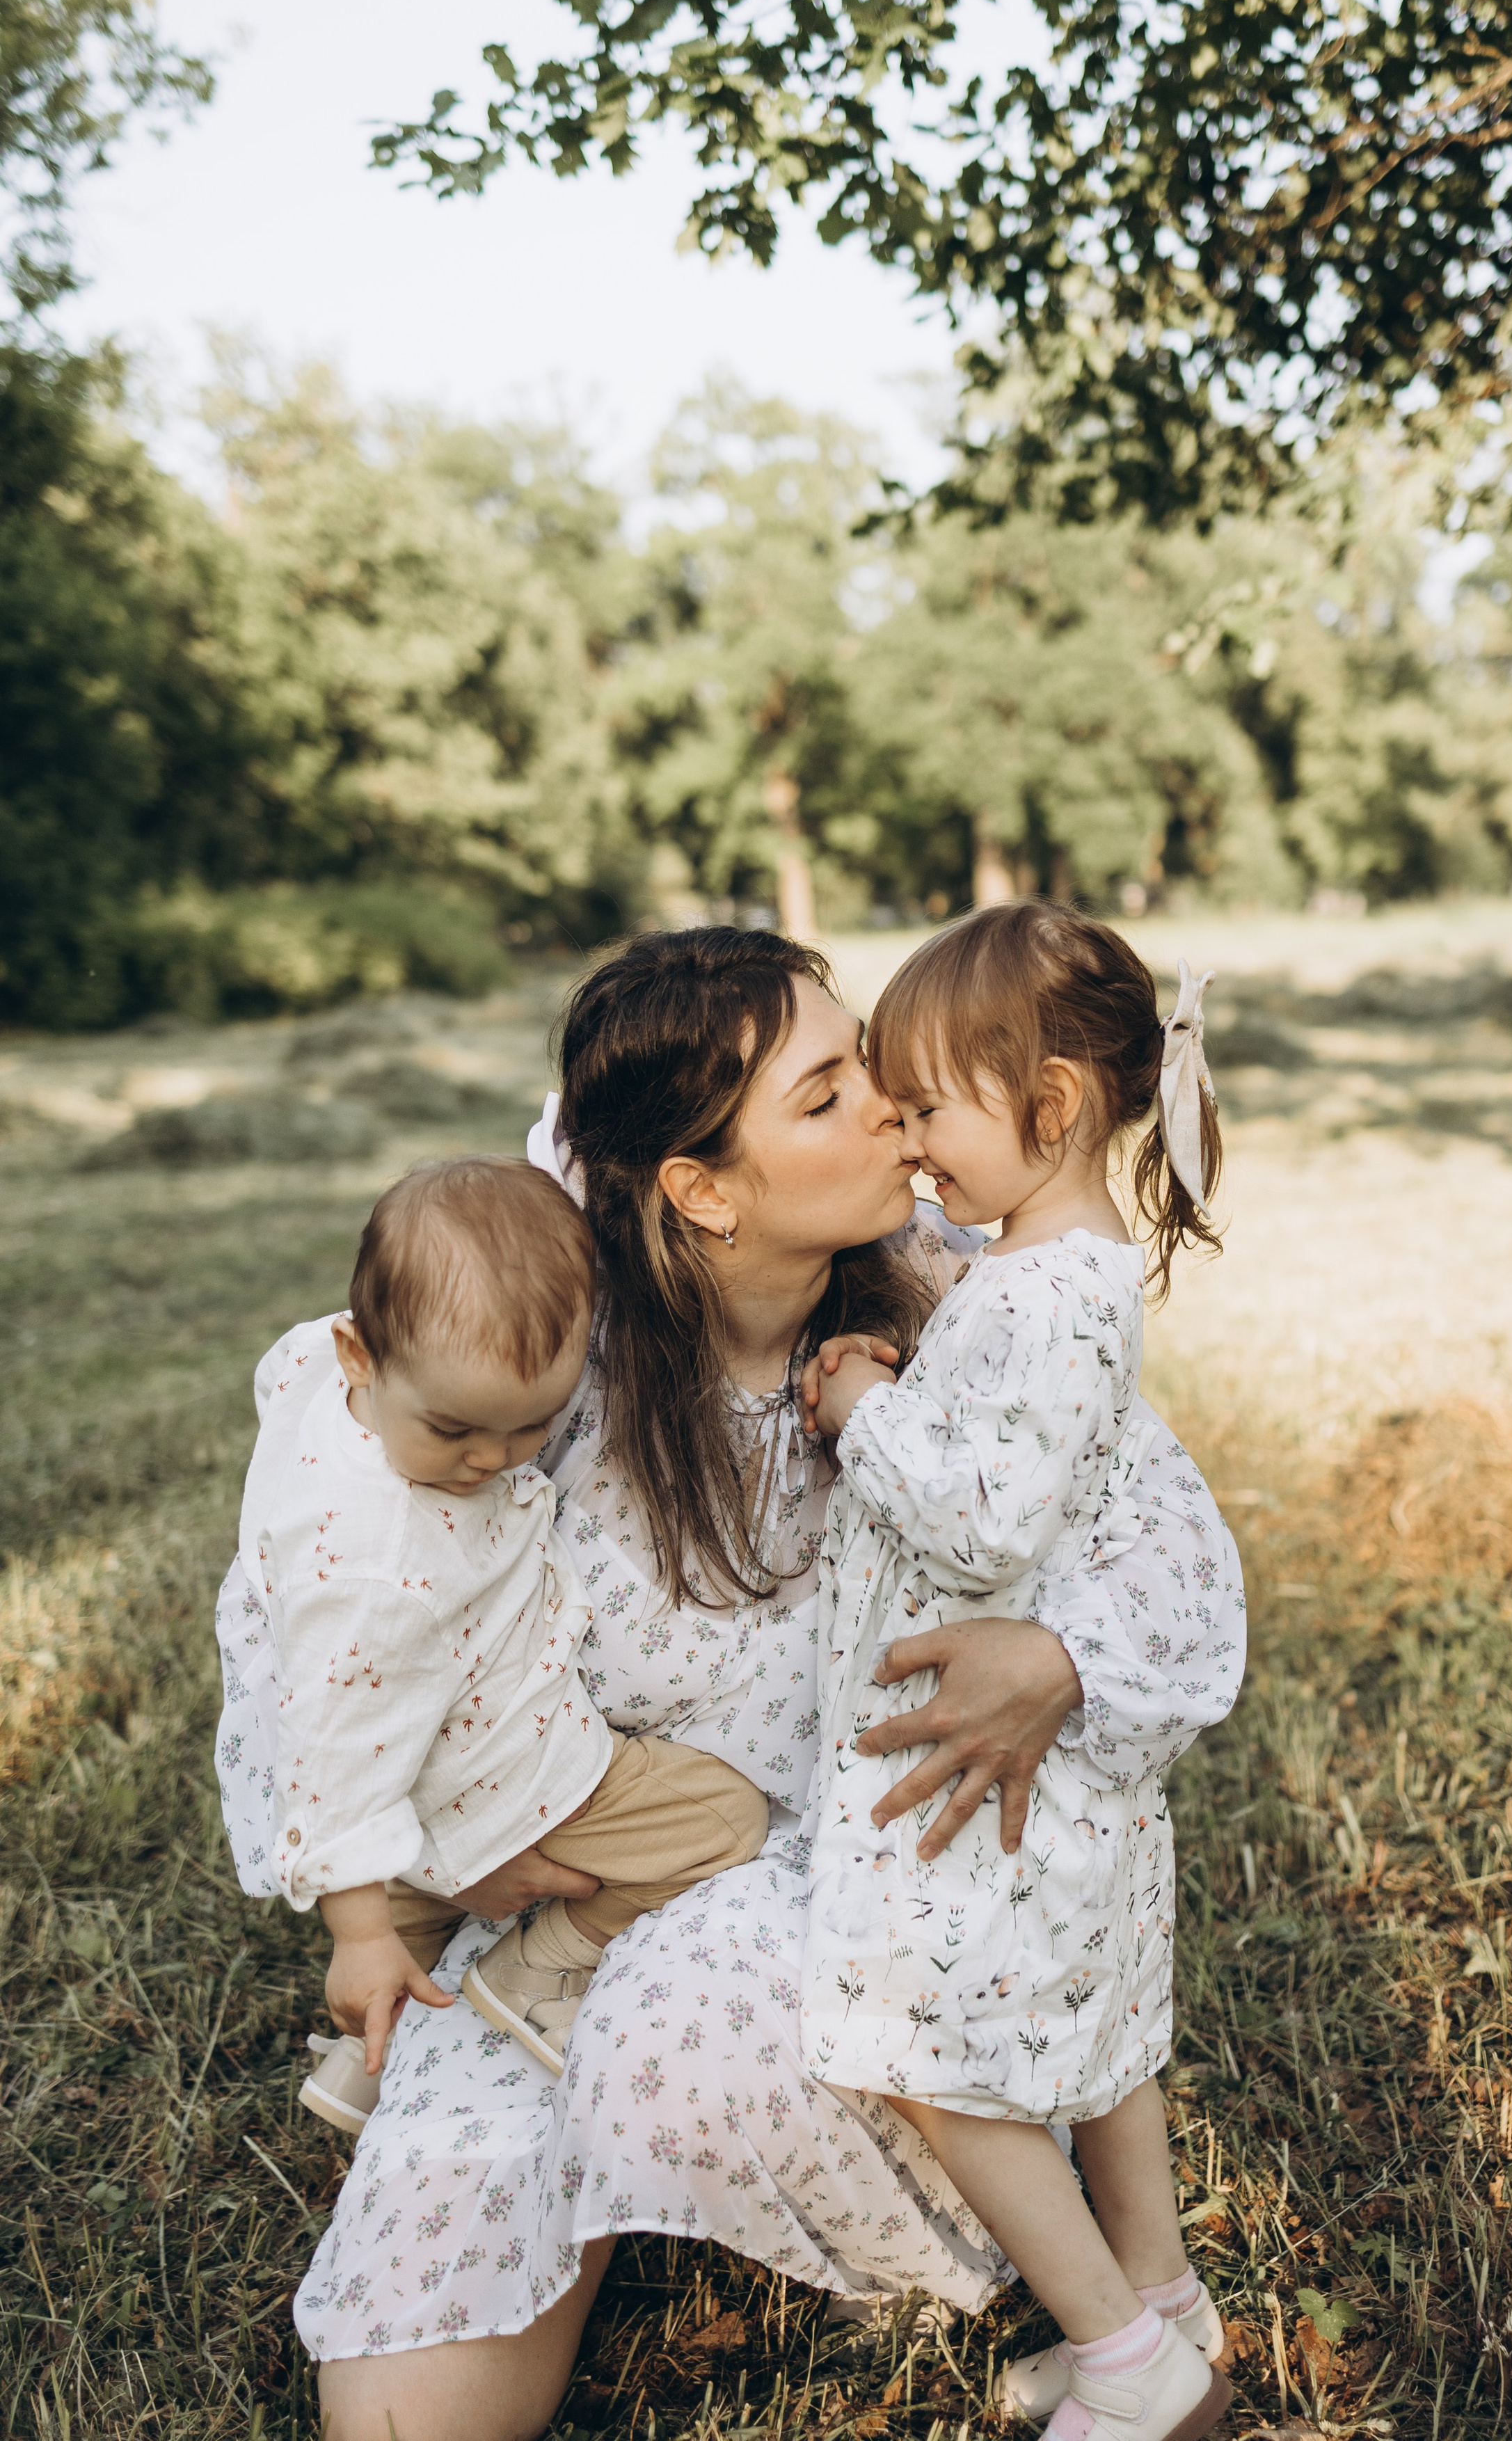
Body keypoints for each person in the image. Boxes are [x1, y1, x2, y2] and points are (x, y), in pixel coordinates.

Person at [249, 928, 1244, 2441]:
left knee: (691, 2045)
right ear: (700, 1190)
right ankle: (537, 2125)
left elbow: (1181, 1570)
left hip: (844, 1896)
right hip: (566, 1911)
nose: (892, 1115)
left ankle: (1076, 2295)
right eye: (831, 1090)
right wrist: (421, 1869)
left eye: (879, 1073)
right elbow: (334, 1593)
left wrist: (1057, 1659)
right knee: (399, 2420)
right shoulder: (546, 1342)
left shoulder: (959, 1300)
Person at [802, 905, 1231, 2441]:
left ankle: (1128, 2364)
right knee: (1095, 2042)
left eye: (926, 1109)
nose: (906, 1145)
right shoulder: (1035, 1264)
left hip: (999, 1783)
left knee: (932, 2050)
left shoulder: (1052, 1295)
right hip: (1035, 1770)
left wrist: (862, 1408)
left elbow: (986, 1522)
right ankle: (1165, 2301)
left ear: (1045, 1110)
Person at [216, 1156, 768, 2138]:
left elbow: (281, 1371)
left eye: (531, 1428)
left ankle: (363, 2062)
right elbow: (335, 1752)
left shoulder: (317, 1371)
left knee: (410, 1897)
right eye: (456, 1430)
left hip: (430, 1759)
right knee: (727, 1819)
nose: (490, 1460)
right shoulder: (373, 1572)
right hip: (505, 1767)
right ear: (359, 1354)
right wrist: (353, 1934)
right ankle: (537, 1970)